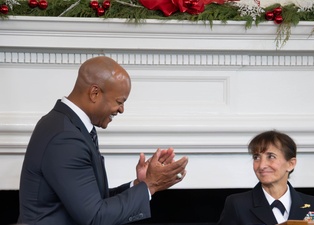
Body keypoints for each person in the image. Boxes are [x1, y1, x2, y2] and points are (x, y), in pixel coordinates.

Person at [18, 56, 189, 225]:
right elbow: (95, 217)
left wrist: (140, 184)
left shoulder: (67, 125)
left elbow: (94, 201)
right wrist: (151, 185)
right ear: (95, 93)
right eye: (119, 101)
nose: (121, 110)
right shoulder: (66, 138)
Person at [217, 130, 314, 225]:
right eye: (256, 157)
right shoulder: (237, 204)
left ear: (291, 164)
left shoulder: (313, 203)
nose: (262, 165)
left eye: (271, 157)